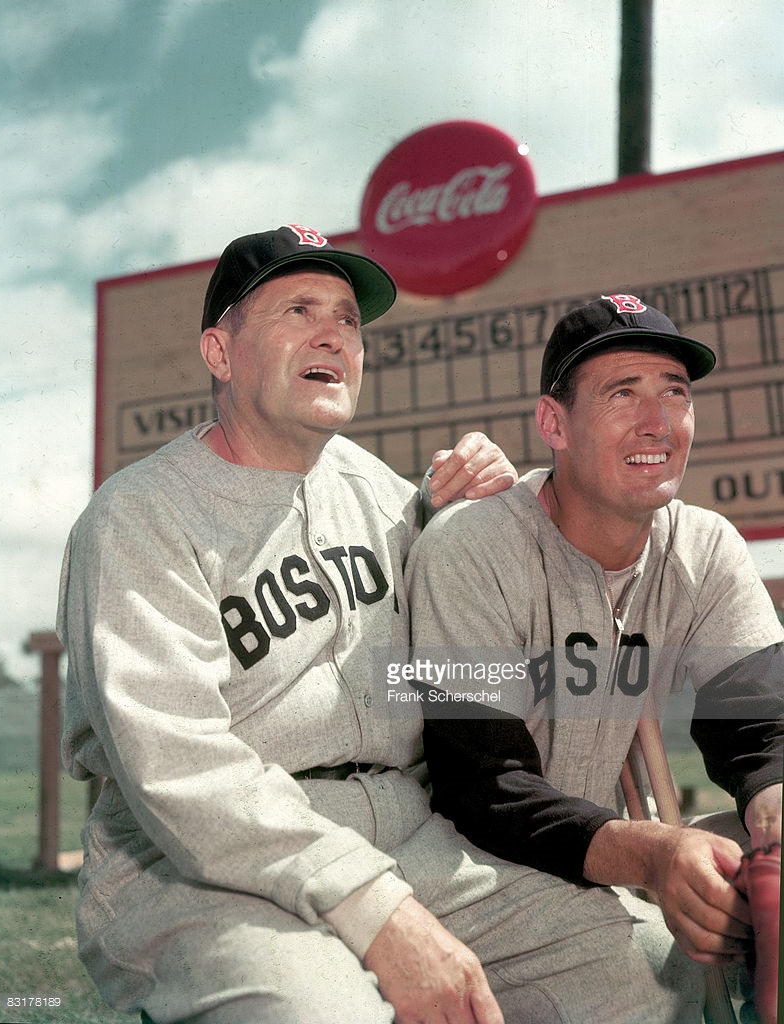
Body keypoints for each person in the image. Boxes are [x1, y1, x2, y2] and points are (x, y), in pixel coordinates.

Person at [59, 237, 701, 1024]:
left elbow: (437, 660)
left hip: (408, 836)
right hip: (195, 868)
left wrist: (459, 522)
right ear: (219, 352)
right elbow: (180, 772)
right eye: (299, 311)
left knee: (650, 969)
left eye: (349, 321)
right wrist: (376, 910)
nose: (335, 335)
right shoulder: (138, 516)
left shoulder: (383, 494)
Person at [406, 293, 783, 1020]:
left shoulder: (704, 545)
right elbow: (484, 785)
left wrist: (774, 807)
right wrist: (651, 854)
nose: (658, 421)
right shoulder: (472, 547)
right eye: (623, 394)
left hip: (592, 852)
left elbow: (760, 730)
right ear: (554, 424)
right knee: (660, 983)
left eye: (675, 393)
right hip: (463, 867)